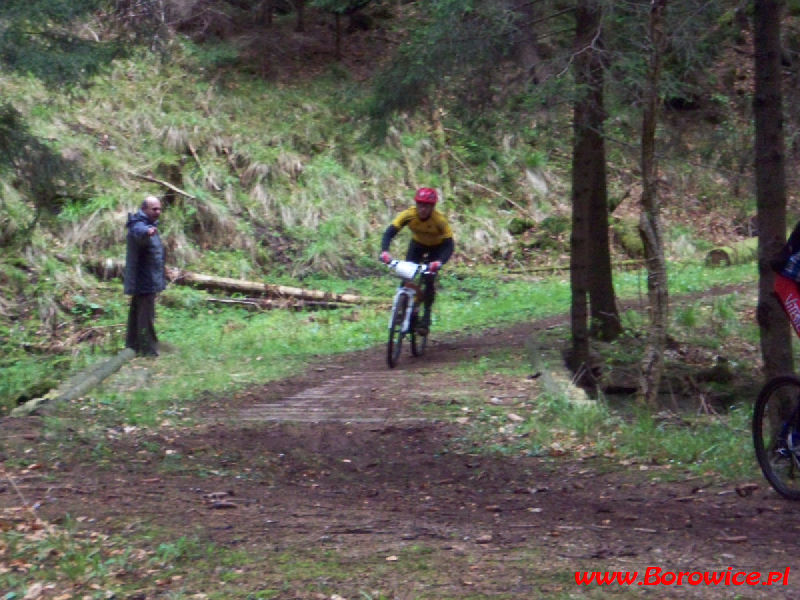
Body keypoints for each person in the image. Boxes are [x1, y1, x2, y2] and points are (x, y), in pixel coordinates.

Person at [380, 187, 454, 334]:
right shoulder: (409, 215)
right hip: (417, 245)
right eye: (420, 205)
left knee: (428, 279)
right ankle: (402, 310)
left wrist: (439, 262)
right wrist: (384, 251)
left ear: (432, 207)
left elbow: (449, 245)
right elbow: (390, 232)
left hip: (437, 248)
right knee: (407, 275)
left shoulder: (439, 220)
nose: (423, 209)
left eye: (427, 206)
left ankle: (426, 317)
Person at [124, 195, 166, 356]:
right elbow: (137, 231)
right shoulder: (139, 224)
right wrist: (147, 232)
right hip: (144, 280)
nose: (158, 212)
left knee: (138, 313)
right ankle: (147, 350)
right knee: (145, 315)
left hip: (147, 279)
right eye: (154, 209)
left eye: (159, 209)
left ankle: (133, 344)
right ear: (144, 210)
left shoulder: (149, 224)